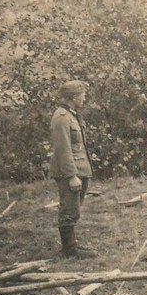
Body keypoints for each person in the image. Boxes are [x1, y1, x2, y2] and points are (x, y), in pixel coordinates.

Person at [49, 80, 95, 259]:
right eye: (82, 95)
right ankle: (70, 251)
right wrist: (71, 176)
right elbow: (63, 149)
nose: (84, 98)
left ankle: (71, 245)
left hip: (79, 169)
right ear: (74, 97)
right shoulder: (61, 118)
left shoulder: (71, 115)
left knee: (74, 209)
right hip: (70, 172)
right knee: (69, 210)